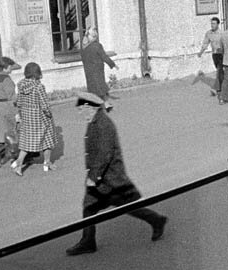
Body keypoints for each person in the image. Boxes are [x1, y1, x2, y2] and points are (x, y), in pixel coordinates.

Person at [66, 92, 168, 255]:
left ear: (88, 107)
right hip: (104, 178)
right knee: (90, 207)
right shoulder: (95, 121)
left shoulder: (103, 125)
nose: (80, 113)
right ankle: (88, 241)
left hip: (110, 178)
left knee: (125, 206)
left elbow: (104, 154)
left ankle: (156, 220)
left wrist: (93, 177)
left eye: (81, 109)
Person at [14, 61, 55, 175]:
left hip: (27, 118)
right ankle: (47, 163)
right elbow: (44, 105)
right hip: (40, 118)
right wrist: (49, 114)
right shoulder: (38, 87)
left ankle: (18, 165)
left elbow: (19, 103)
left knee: (26, 143)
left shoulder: (21, 85)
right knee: (47, 140)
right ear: (37, 73)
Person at [0, 55, 21, 168]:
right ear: (5, 68)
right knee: (11, 133)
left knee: (2, 130)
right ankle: (9, 157)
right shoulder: (7, 79)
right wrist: (17, 112)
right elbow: (12, 97)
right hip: (8, 106)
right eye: (10, 67)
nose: (11, 69)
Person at [79, 28, 116, 102]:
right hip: (97, 69)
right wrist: (112, 64)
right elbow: (104, 57)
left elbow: (83, 58)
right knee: (100, 85)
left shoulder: (83, 47)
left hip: (88, 69)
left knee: (92, 85)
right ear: (94, 37)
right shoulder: (97, 46)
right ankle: (103, 102)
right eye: (95, 36)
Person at [197, 16, 225, 97]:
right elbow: (205, 43)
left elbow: (226, 44)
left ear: (218, 24)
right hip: (214, 55)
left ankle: (216, 89)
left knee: (219, 71)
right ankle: (225, 84)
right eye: (211, 23)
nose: (212, 25)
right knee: (220, 71)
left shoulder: (222, 33)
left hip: (221, 54)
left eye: (214, 24)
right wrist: (201, 52)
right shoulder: (208, 33)